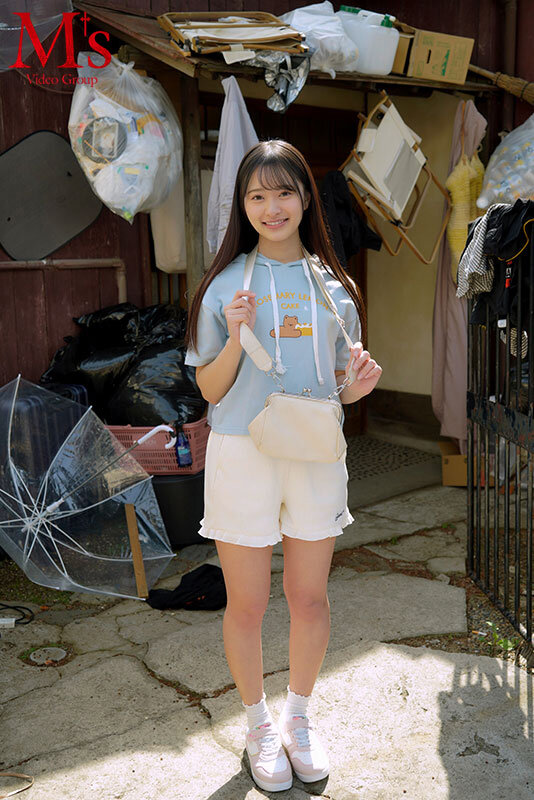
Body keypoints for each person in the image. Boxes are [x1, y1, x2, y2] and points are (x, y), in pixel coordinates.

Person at [185, 139, 382, 792]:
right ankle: (257, 724)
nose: (272, 207)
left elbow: (338, 387)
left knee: (309, 596)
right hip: (243, 451)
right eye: (257, 195)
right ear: (243, 206)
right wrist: (237, 339)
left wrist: (358, 386)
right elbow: (209, 389)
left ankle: (298, 716)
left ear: (305, 199)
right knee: (247, 601)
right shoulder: (224, 286)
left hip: (314, 452)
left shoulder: (333, 287)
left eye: (284, 192)